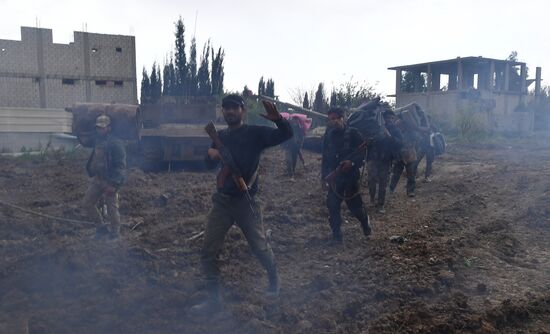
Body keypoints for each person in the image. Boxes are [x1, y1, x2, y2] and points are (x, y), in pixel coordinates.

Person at [191, 94, 293, 314]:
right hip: (222, 203)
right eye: (226, 108)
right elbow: (208, 165)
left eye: (234, 108)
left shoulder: (255, 133)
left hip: (246, 202)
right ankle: (213, 300)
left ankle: (274, 280)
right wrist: (211, 155)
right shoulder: (220, 136)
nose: (230, 112)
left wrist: (279, 120)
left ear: (242, 111)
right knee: (208, 251)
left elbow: (287, 134)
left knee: (259, 247)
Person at [321, 107, 371, 244]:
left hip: (350, 177)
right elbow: (325, 156)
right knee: (332, 207)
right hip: (334, 177)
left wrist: (353, 163)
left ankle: (365, 223)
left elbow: (364, 153)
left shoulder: (353, 133)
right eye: (331, 119)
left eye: (337, 118)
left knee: (355, 208)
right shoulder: (328, 135)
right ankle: (337, 237)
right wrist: (324, 177)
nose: (335, 121)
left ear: (343, 118)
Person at [83, 114, 126, 239]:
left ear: (109, 128)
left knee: (112, 209)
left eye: (103, 127)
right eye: (98, 127)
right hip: (98, 179)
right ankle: (101, 227)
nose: (100, 130)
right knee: (87, 204)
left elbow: (120, 166)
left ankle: (115, 232)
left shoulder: (116, 143)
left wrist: (114, 184)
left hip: (110, 181)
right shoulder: (97, 140)